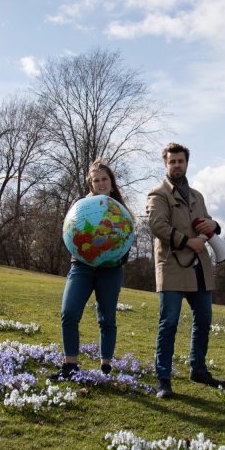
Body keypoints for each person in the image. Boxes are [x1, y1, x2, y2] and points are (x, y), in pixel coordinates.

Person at [146, 142, 225, 398]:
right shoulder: (157, 194)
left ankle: (198, 370)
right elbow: (157, 225)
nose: (177, 165)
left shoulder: (197, 196)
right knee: (168, 323)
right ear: (165, 164)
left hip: (200, 268)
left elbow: (206, 222)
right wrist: (187, 241)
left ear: (186, 163)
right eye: (172, 162)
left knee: (204, 321)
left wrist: (214, 224)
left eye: (180, 161)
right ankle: (163, 379)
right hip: (172, 267)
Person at [50, 160, 130, 380]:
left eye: (105, 179)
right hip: (82, 266)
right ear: (91, 184)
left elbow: (126, 241)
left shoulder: (119, 209)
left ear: (112, 182)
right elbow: (70, 230)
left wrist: (115, 255)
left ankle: (105, 367)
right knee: (69, 313)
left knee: (107, 318)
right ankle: (70, 366)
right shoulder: (81, 205)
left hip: (110, 269)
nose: (101, 183)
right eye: (96, 180)